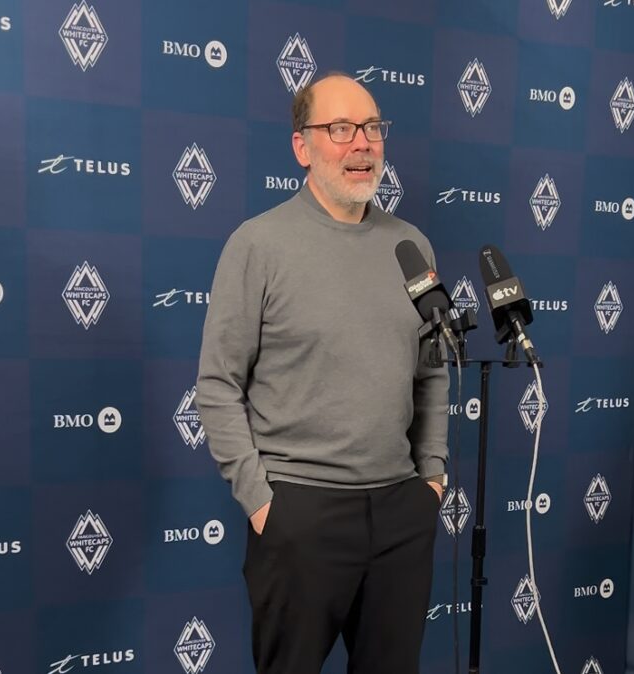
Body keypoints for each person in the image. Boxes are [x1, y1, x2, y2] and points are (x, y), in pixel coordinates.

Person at [195, 73, 449, 674]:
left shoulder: (412, 247)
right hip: (298, 514)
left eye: (372, 127)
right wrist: (263, 503)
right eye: (340, 128)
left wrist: (432, 478)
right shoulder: (257, 245)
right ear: (302, 147)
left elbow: (432, 372)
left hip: (400, 512)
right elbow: (218, 385)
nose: (362, 143)